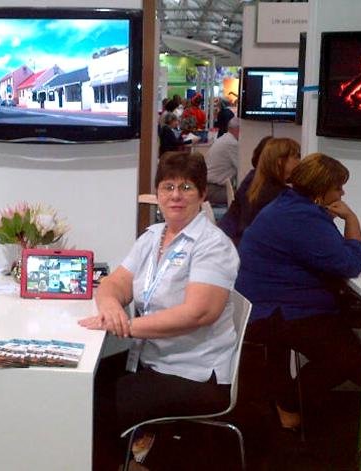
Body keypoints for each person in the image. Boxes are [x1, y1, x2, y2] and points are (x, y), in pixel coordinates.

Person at [79, 151, 239, 470]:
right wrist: (110, 307)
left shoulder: (213, 245)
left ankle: (117, 462)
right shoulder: (153, 237)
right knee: (83, 384)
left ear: (202, 194)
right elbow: (115, 282)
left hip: (193, 372)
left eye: (186, 187)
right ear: (157, 193)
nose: (176, 195)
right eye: (168, 187)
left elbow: (198, 314)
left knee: (94, 405)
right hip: (151, 358)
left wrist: (126, 327)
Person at [236, 153, 361, 430]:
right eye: (338, 187)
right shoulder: (302, 217)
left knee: (348, 347)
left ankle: (288, 401)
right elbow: (351, 264)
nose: (342, 193)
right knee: (352, 361)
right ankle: (290, 402)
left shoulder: (288, 205)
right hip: (281, 312)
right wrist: (352, 219)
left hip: (269, 303)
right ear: (321, 189)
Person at [219, 137, 300, 245]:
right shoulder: (281, 195)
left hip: (236, 242)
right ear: (280, 161)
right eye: (296, 157)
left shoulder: (254, 182)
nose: (300, 161)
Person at [205, 117, 240, 205]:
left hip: (210, 187)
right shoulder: (232, 143)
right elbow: (242, 168)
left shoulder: (224, 139)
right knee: (245, 196)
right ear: (239, 130)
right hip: (216, 189)